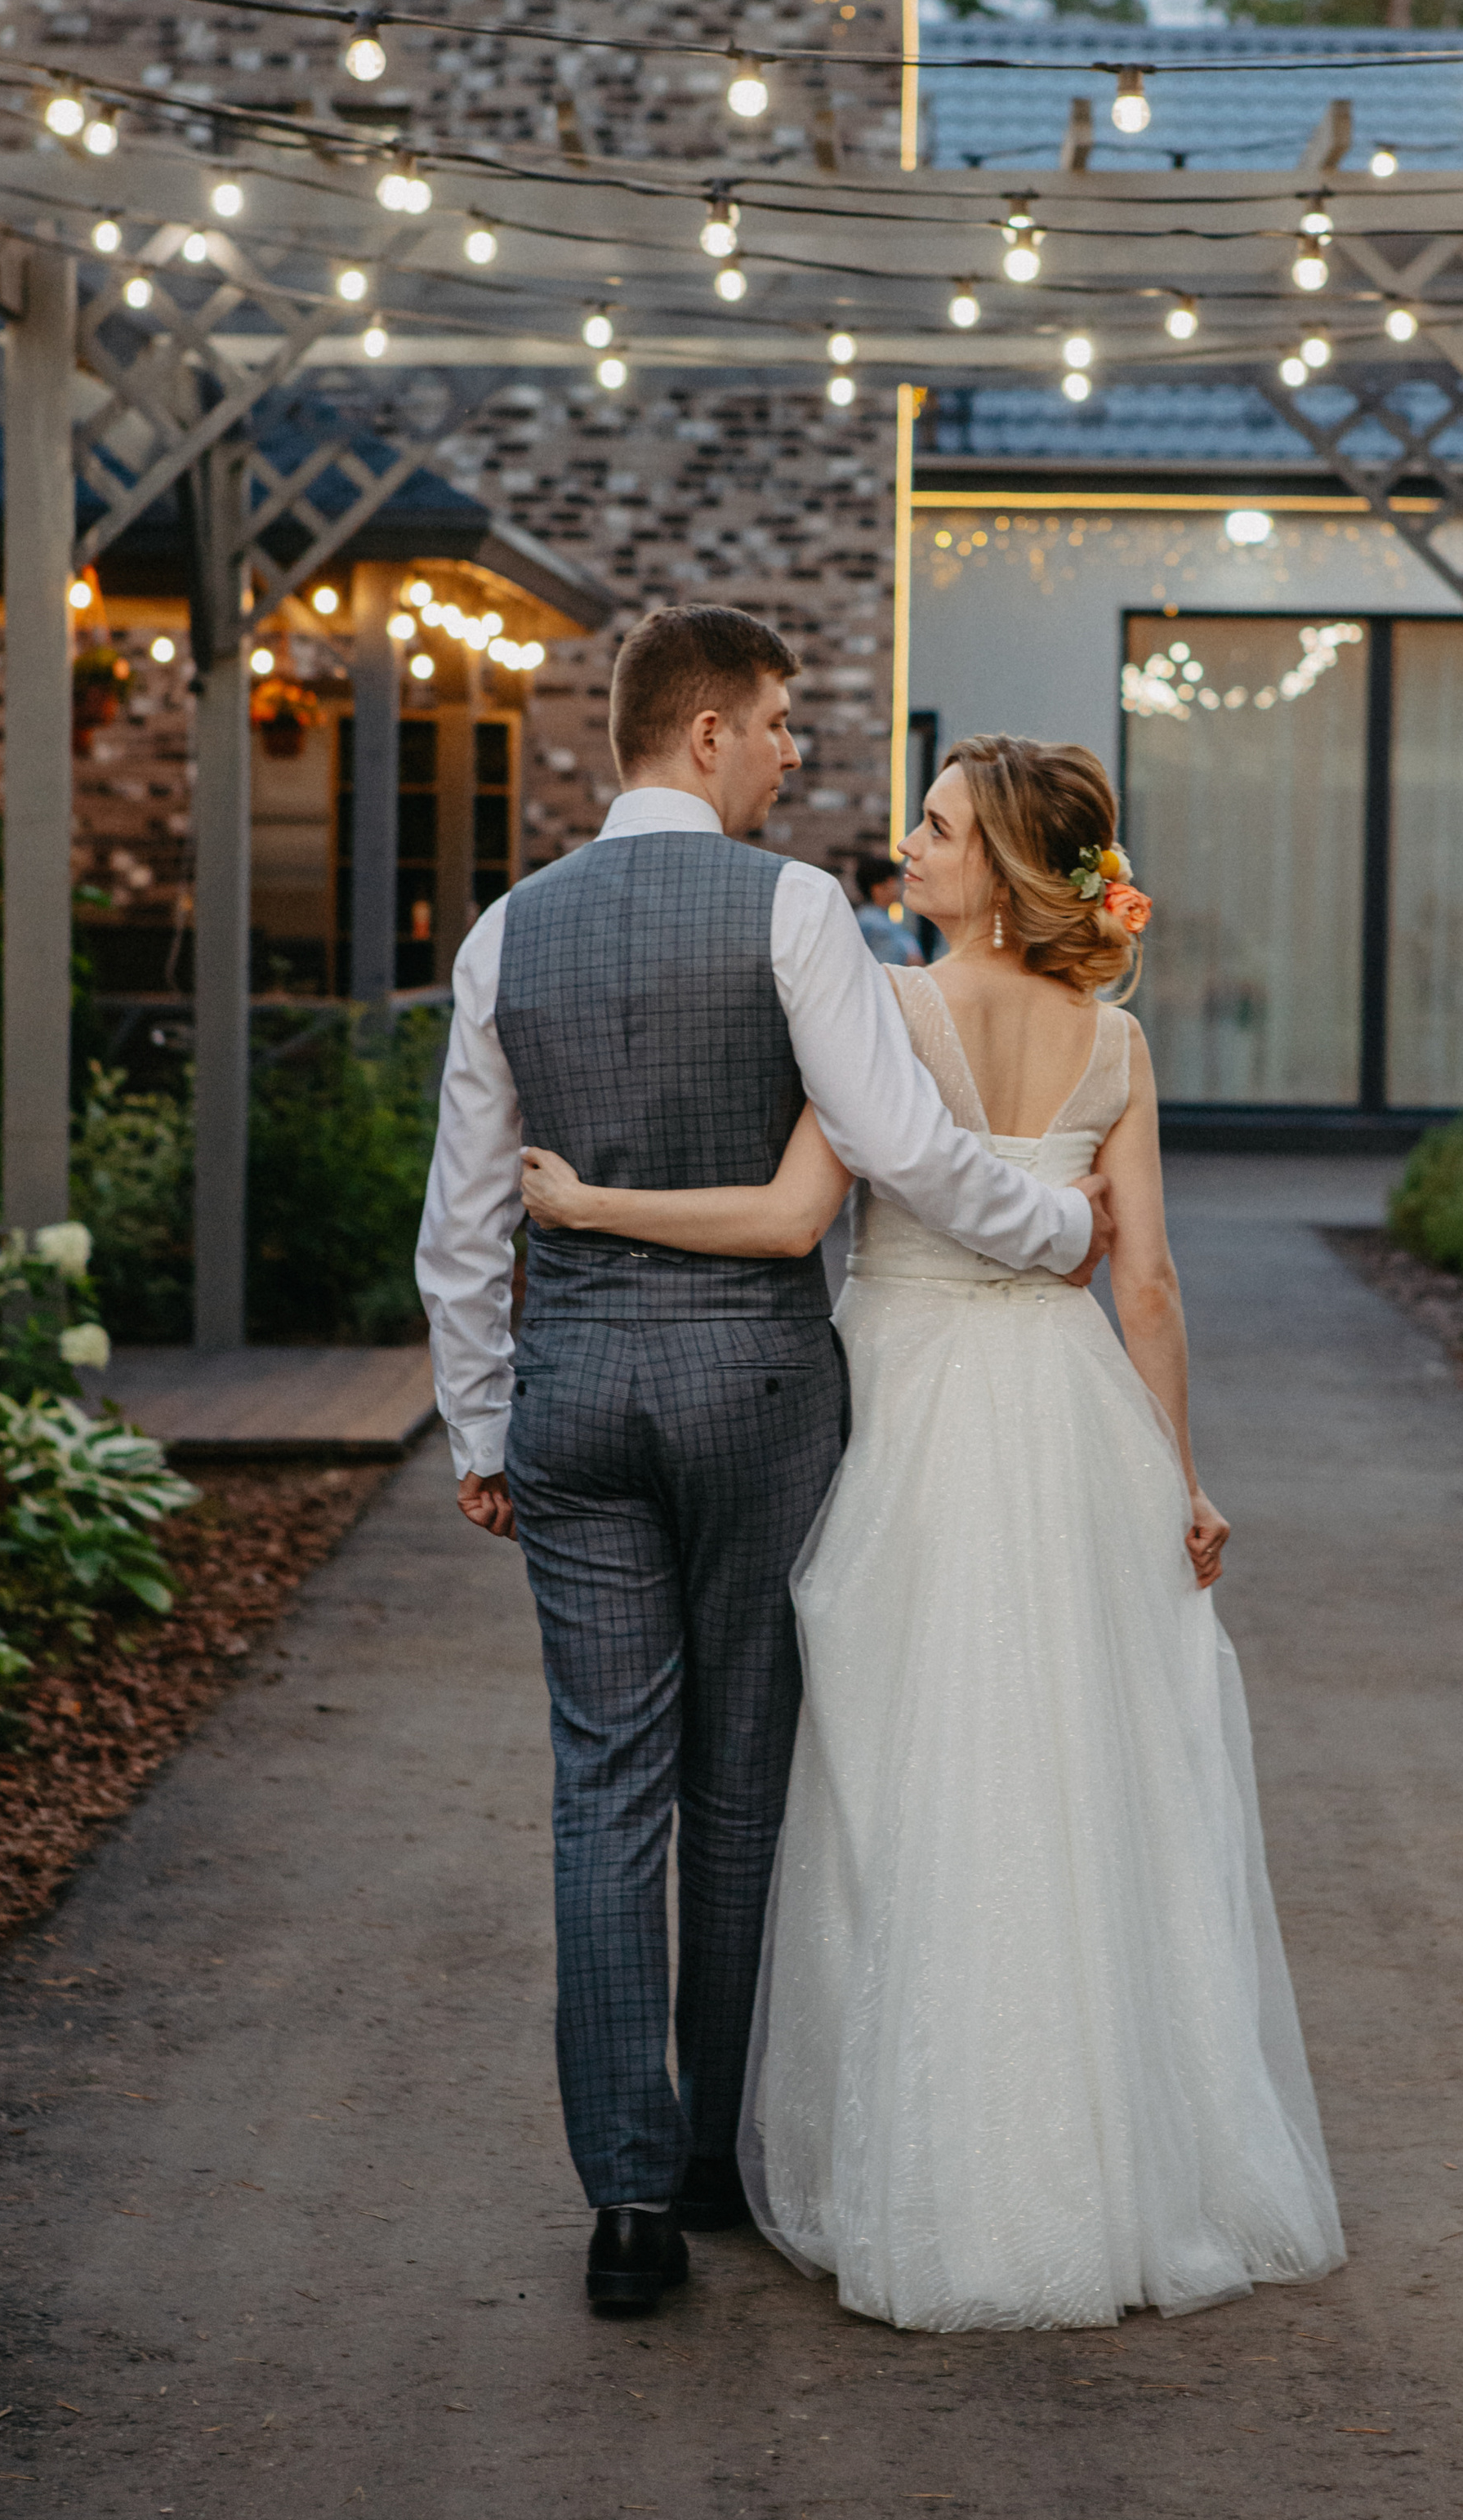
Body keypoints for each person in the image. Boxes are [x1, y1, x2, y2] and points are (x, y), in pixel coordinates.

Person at [520, 735, 1344, 2332]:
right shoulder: (1111, 1042)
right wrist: (1179, 1475)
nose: (909, 843)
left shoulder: (882, 1012)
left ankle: (914, 2157)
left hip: (901, 1412)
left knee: (888, 1787)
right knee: (1068, 1783)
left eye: (940, 826)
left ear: (1006, 866)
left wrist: (588, 1206)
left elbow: (782, 1220)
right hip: (1069, 1420)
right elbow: (1146, 1285)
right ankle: (1105, 2167)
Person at [415, 609, 1109, 2319]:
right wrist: (1048, 1223)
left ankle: (625, 2204)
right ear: (706, 733)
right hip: (753, 1400)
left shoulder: (507, 933)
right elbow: (894, 1147)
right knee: (741, 1780)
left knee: (604, 1789)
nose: (799, 754)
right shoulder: (795, 912)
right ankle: (719, 2153)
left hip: (575, 1400)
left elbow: (461, 1220)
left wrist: (482, 1422)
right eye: (784, 724)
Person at [851, 850, 923, 965]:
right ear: (878, 888)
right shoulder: (868, 922)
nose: (899, 886)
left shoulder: (883, 919)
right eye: (894, 881)